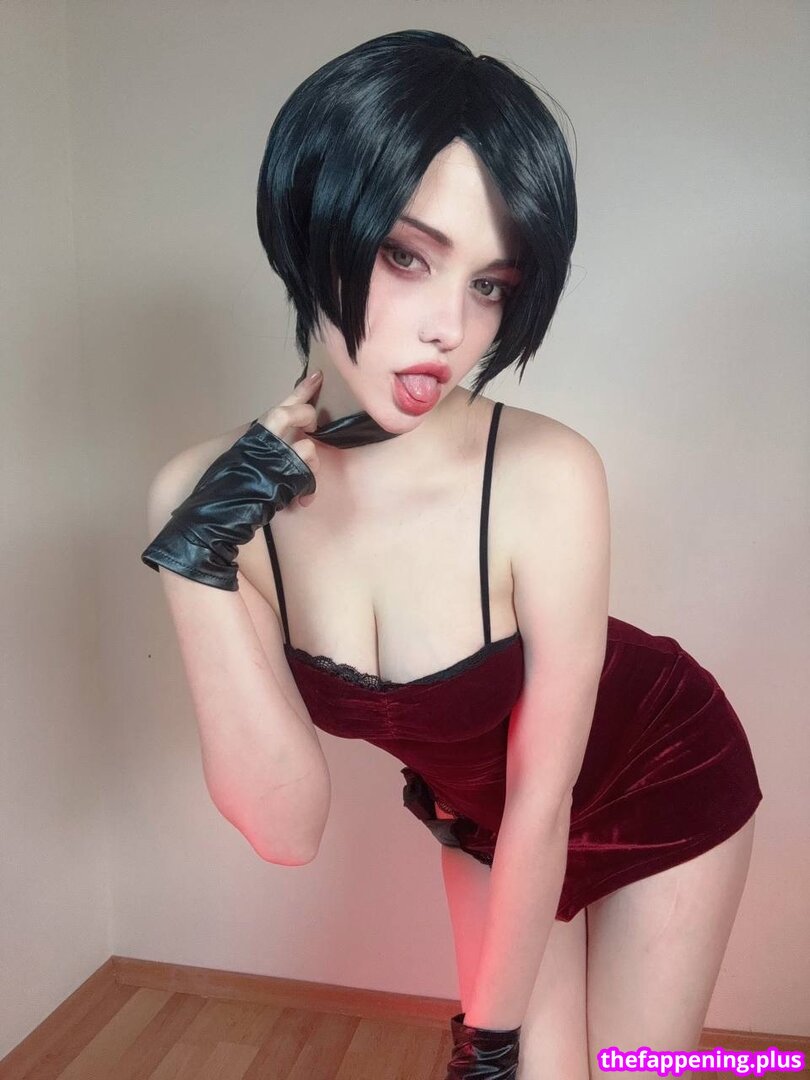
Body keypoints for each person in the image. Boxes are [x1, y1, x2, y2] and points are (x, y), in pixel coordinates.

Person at [141, 30, 763, 1080]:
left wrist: (492, 1044)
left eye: (490, 284)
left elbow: (544, 800)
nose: (450, 329)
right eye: (407, 255)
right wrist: (199, 553)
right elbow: (286, 828)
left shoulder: (547, 473)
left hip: (657, 766)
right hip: (487, 816)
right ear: (313, 223)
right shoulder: (209, 501)